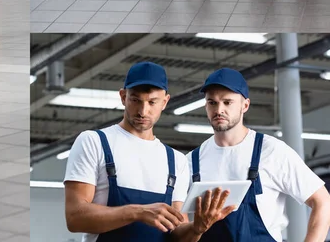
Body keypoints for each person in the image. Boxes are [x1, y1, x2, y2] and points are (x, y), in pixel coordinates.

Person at [64, 61, 235, 241]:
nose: (143, 111)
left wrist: (197, 229)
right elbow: (75, 217)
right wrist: (138, 212)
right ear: (123, 97)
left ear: (165, 102)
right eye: (135, 100)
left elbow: (177, 234)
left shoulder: (176, 161)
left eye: (152, 102)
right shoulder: (94, 142)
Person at [187, 68, 330, 241]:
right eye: (212, 102)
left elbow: (322, 201)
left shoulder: (271, 151)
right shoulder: (191, 161)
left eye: (227, 102)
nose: (219, 109)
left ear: (245, 105)